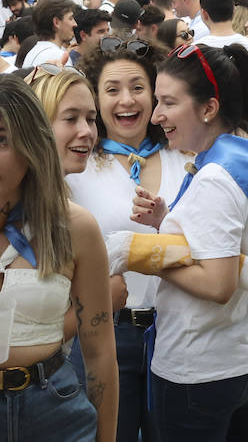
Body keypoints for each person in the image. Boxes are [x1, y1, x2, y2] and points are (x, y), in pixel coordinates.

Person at [129, 44, 248, 441]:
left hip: (203, 366)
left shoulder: (215, 178)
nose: (156, 115)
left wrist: (139, 253)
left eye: (168, 102)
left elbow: (218, 283)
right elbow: (238, 242)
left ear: (209, 108)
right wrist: (169, 221)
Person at [0, 76, 117, 442]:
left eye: (1, 139)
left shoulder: (74, 226)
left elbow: (99, 351)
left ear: (31, 144)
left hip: (55, 406)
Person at [72, 39, 189, 442]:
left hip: (179, 330)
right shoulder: (77, 165)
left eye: (138, 88)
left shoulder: (186, 156)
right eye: (112, 90)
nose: (127, 100)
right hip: (107, 332)